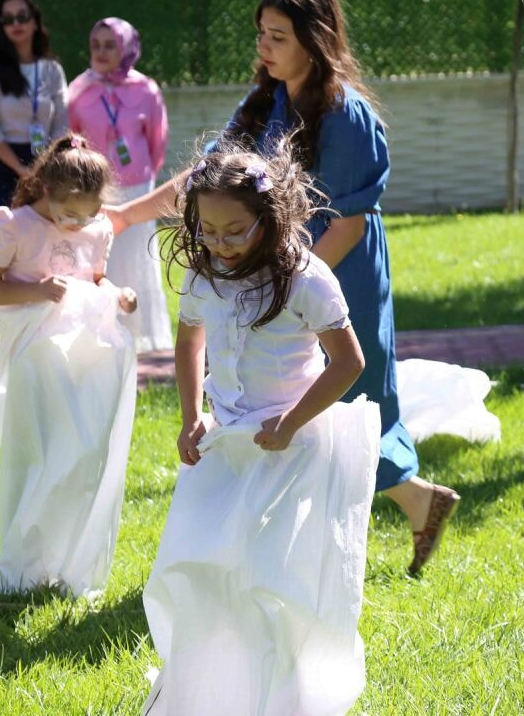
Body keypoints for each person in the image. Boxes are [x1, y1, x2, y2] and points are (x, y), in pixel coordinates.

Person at [106, 0, 460, 576]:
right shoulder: (264, 100)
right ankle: (404, 507)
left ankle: (324, 548)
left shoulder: (345, 114)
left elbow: (349, 221)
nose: (263, 48)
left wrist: (285, 292)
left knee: (341, 404)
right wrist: (126, 216)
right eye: (261, 35)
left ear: (314, 41)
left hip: (333, 272)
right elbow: (207, 182)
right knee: (280, 407)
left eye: (277, 37)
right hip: (266, 274)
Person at [141, 139, 377, 714]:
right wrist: (191, 414)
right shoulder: (204, 277)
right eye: (207, 230)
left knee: (274, 579)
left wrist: (291, 422)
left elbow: (349, 362)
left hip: (292, 449)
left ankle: (285, 695)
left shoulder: (305, 279)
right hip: (226, 444)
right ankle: (211, 687)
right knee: (203, 567)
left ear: (269, 221)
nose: (219, 245)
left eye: (235, 231)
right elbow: (189, 341)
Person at [0, 134, 138, 597]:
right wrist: (37, 290)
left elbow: (94, 278)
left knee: (84, 454)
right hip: (35, 357)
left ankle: (69, 562)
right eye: (69, 214)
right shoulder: (14, 225)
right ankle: (24, 568)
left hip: (89, 355)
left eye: (87, 215)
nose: (76, 224)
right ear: (43, 188)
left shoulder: (96, 227)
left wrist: (117, 294)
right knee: (38, 453)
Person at [0, 0, 68, 365]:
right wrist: (23, 170)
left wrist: (46, 167)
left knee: (39, 243)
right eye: (7, 18)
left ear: (35, 20)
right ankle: (1, 336)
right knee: (5, 246)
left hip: (46, 161)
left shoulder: (51, 69)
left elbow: (61, 123)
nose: (15, 23)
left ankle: (41, 325)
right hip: (1, 162)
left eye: (22, 16)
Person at [67, 17, 172, 353]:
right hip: (96, 191)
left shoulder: (147, 90)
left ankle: (144, 339)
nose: (101, 51)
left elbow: (158, 143)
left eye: (109, 45)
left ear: (126, 48)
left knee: (139, 259)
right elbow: (72, 142)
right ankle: (102, 335)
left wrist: (140, 179)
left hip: (139, 188)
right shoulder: (78, 89)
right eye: (95, 44)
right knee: (101, 260)